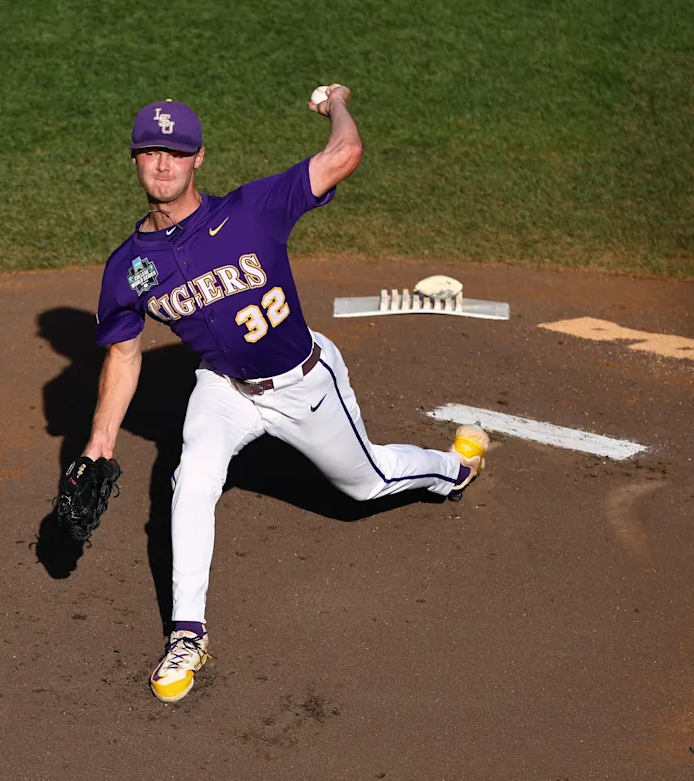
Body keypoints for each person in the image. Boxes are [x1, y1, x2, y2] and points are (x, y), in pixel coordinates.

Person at [83, 86, 490, 703]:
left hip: (303, 383)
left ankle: (452, 468)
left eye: (177, 152)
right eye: (151, 151)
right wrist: (100, 440)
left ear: (199, 159)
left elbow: (344, 154)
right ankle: (187, 636)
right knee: (191, 479)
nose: (163, 164)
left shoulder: (253, 210)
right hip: (223, 388)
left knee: (366, 484)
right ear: (134, 158)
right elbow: (123, 353)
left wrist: (338, 104)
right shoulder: (127, 267)